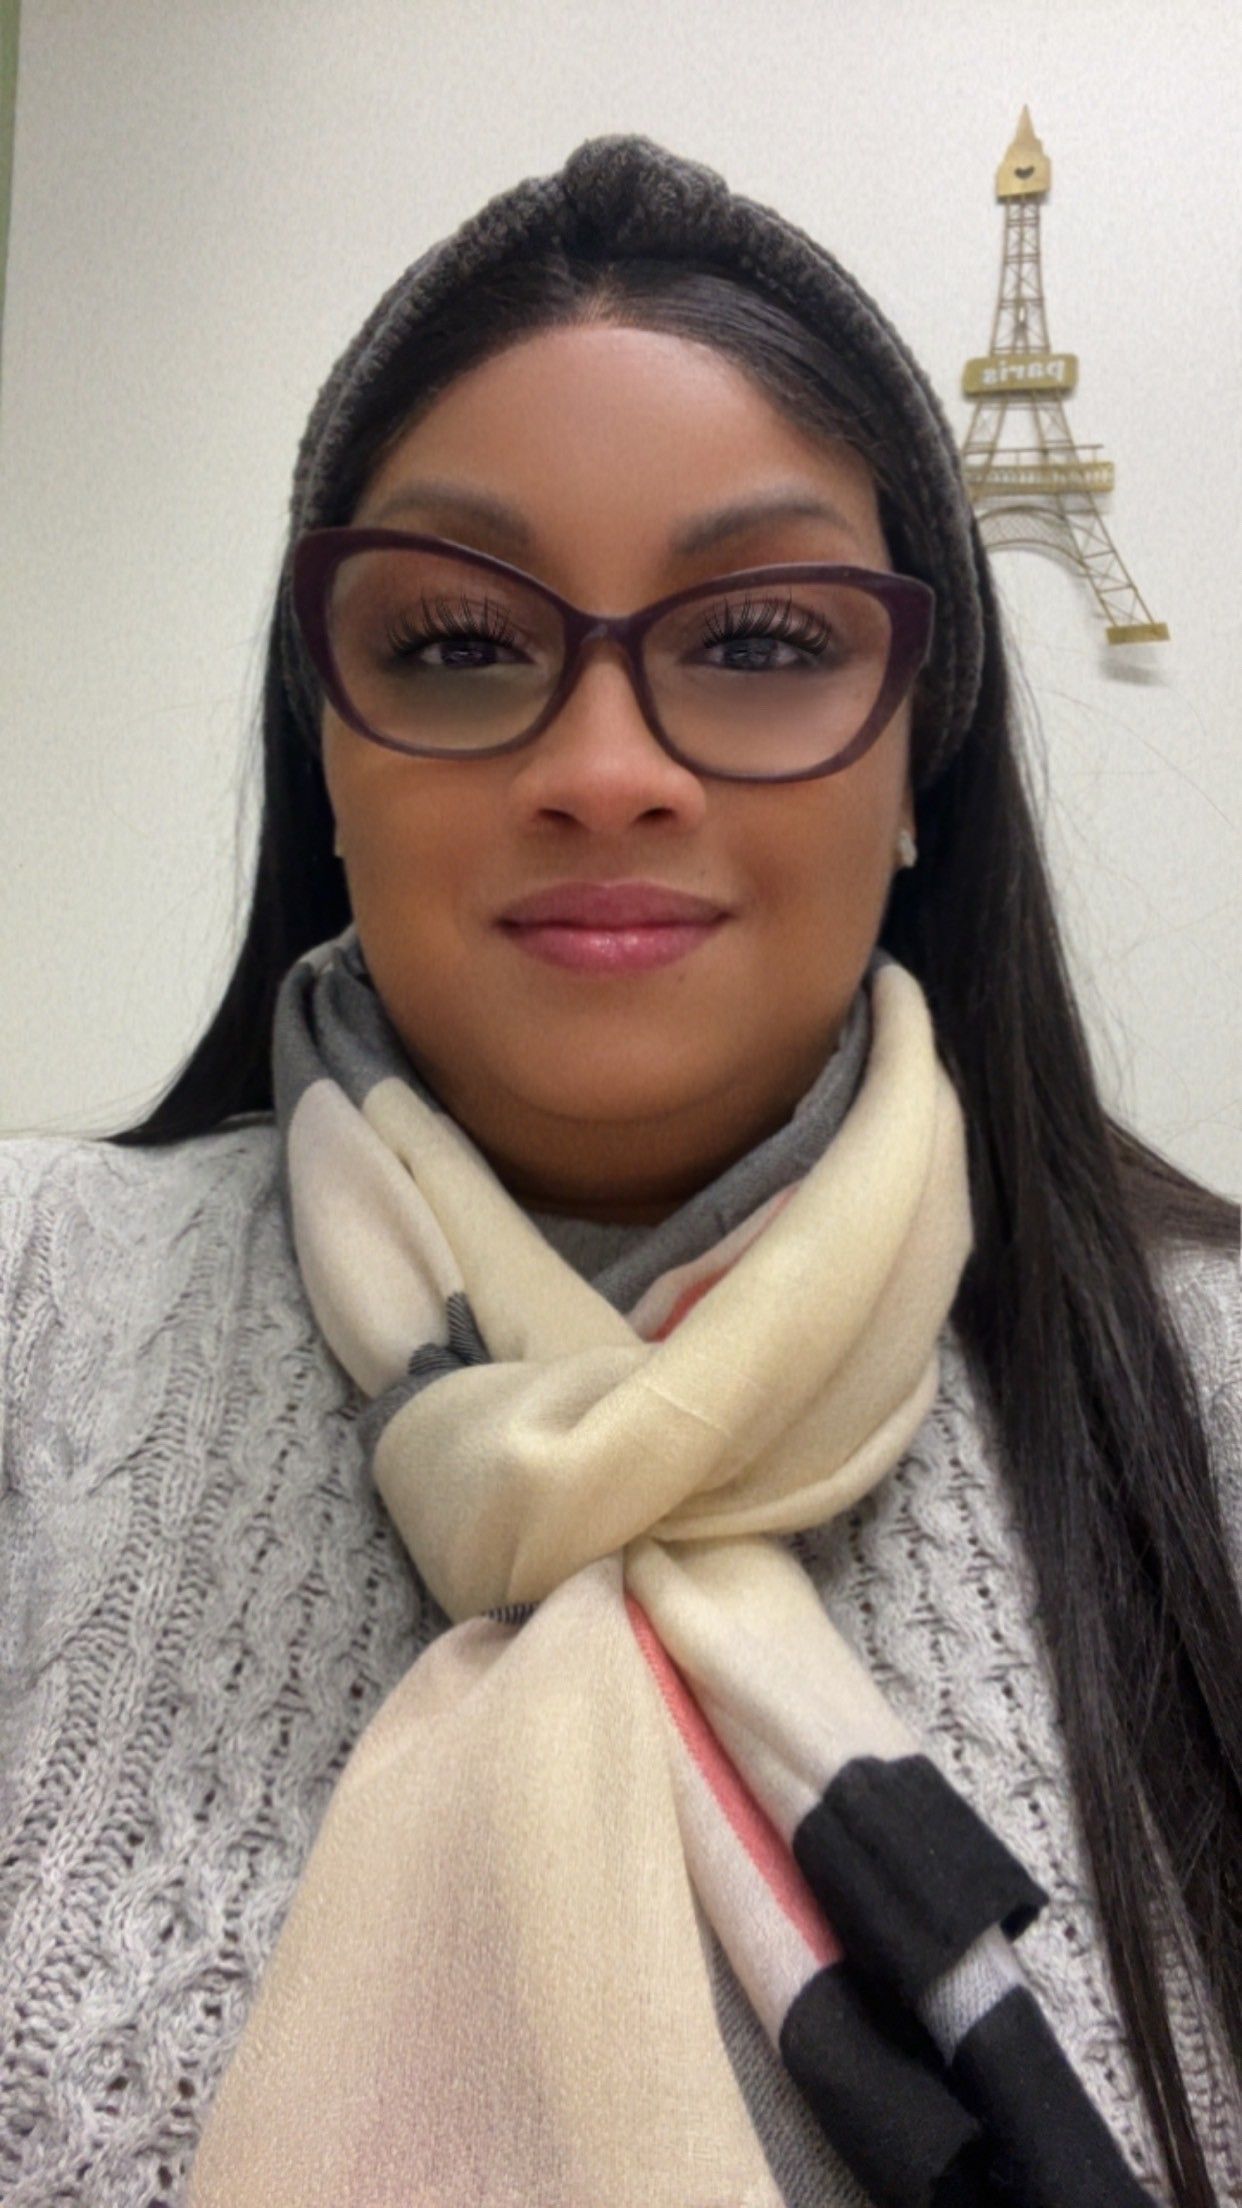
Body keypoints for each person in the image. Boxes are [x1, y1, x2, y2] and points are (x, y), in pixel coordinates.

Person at [0, 132, 1237, 2208]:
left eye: (758, 641)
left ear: (923, 748)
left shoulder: (1205, 1393)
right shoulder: (34, 1314)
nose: (600, 769)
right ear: (329, 732)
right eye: (460, 644)